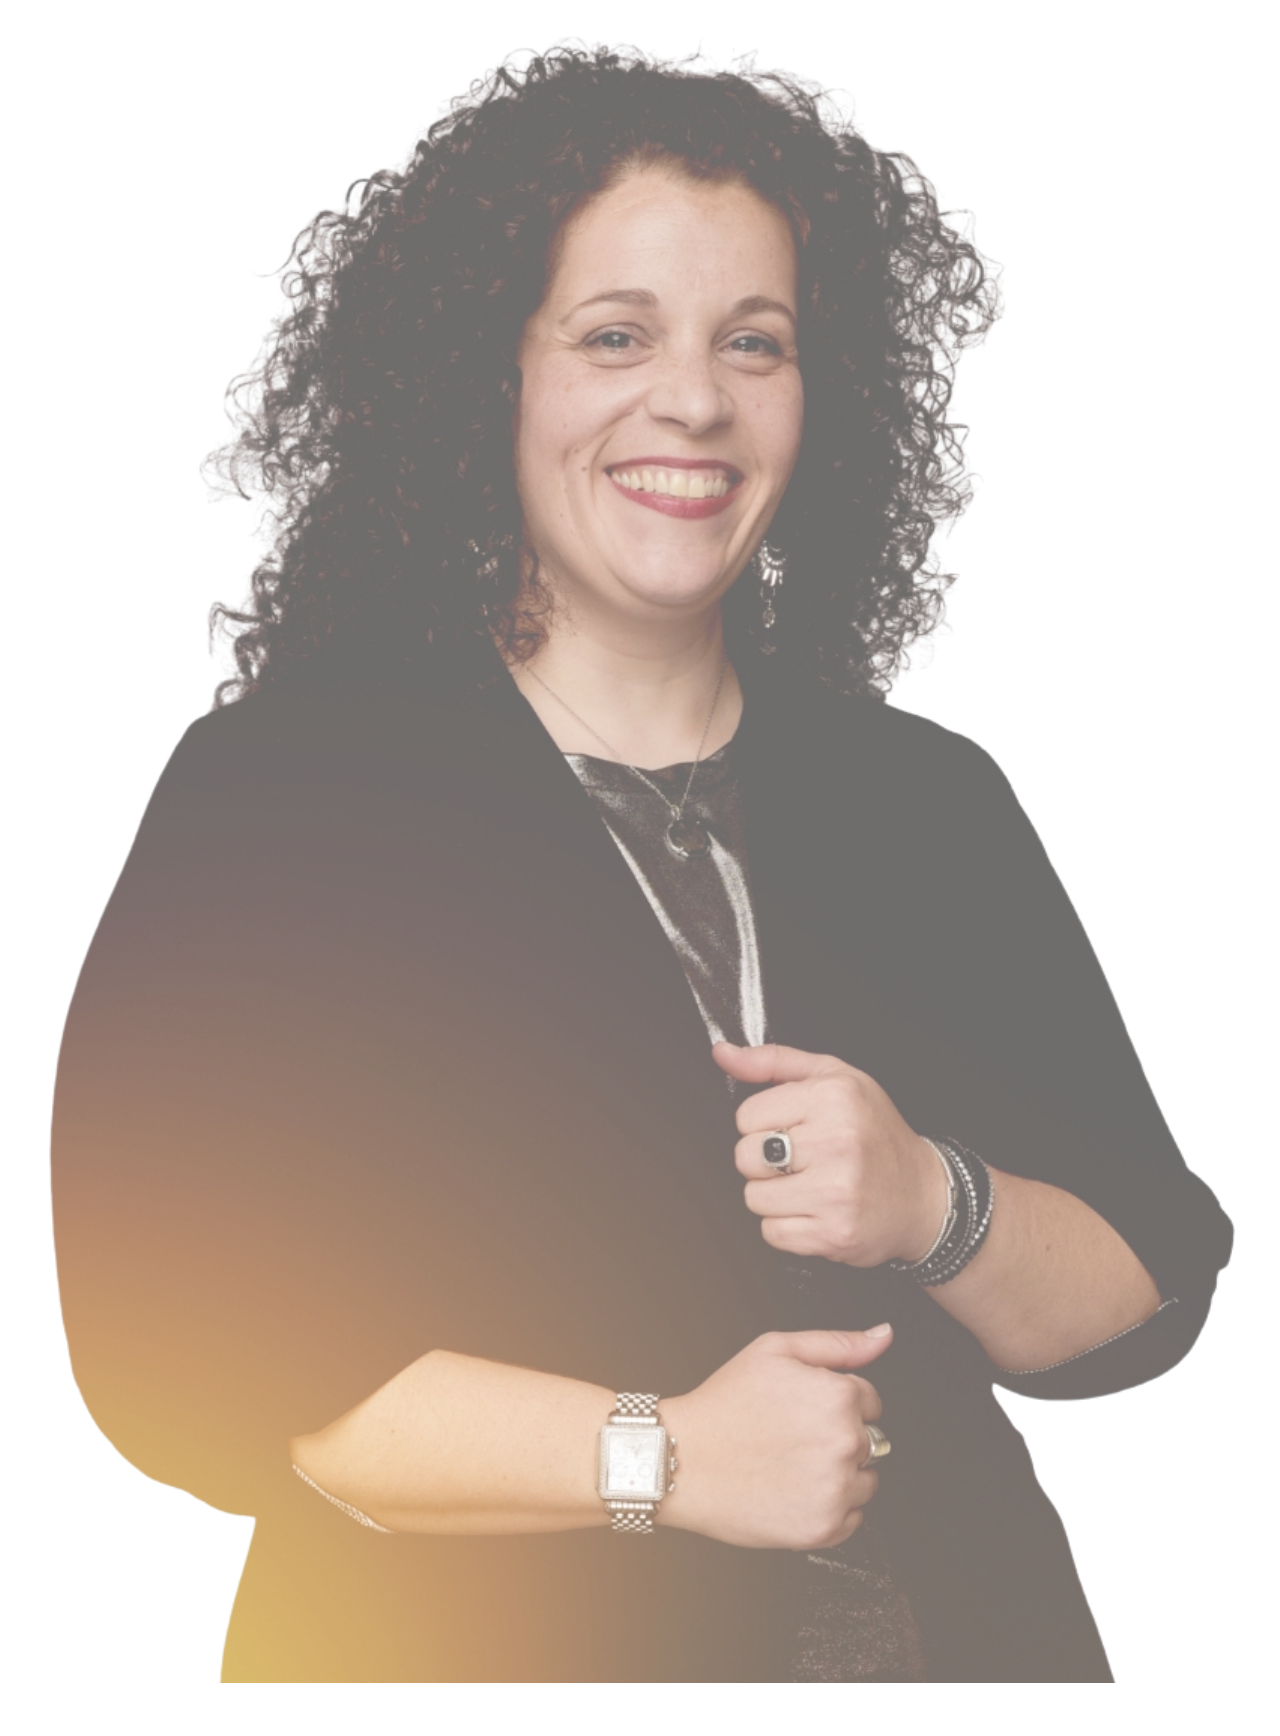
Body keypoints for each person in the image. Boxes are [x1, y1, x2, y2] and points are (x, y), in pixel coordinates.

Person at [50, 43, 1230, 1692]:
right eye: (616, 336)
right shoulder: (281, 807)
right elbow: (178, 1353)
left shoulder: (925, 800)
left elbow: (1146, 1296)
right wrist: (660, 1457)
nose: (695, 401)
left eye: (756, 342)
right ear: (492, 376)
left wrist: (932, 1203)